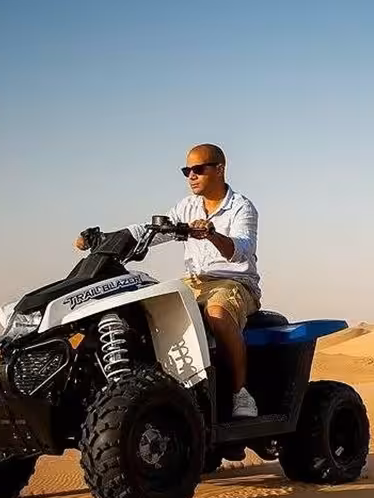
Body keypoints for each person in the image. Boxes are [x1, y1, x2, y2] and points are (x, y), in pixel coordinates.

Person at [75, 143, 261, 418]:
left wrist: (211, 234)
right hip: (193, 281)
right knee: (146, 309)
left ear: (220, 169)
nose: (191, 176)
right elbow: (151, 232)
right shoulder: (186, 207)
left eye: (199, 169)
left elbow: (241, 250)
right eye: (187, 170)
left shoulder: (241, 207)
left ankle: (241, 394)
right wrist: (105, 239)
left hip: (233, 283)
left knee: (218, 313)